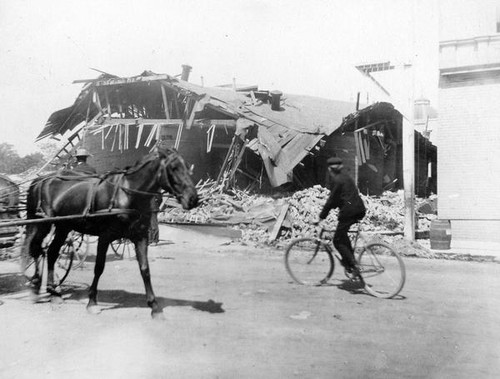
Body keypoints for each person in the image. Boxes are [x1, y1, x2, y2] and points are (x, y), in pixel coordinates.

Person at [315, 157, 366, 282]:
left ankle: (353, 264)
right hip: (359, 209)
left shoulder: (337, 180)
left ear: (330, 169)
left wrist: (321, 216)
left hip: (349, 212)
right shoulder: (346, 176)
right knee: (342, 236)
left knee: (337, 240)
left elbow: (332, 200)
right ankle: (350, 263)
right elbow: (340, 198)